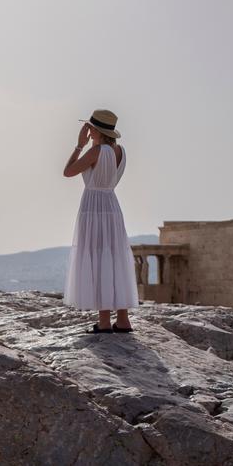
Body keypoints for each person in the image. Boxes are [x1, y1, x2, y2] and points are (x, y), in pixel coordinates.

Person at [62, 109, 138, 334]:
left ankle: (104, 321)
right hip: (112, 207)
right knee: (114, 257)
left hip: (93, 206)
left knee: (97, 256)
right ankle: (123, 320)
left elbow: (68, 172)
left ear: (95, 130)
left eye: (89, 127)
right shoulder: (120, 151)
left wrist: (79, 145)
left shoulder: (96, 150)